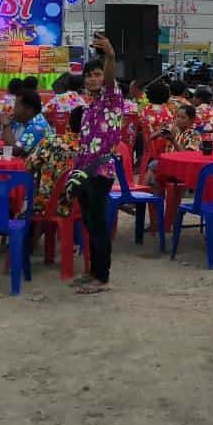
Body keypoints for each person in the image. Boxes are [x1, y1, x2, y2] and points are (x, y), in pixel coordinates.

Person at [71, 34, 126, 294]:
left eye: (97, 74)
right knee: (90, 224)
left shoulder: (112, 98)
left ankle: (102, 278)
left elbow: (111, 77)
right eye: (88, 75)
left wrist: (110, 56)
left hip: (101, 171)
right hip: (83, 172)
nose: (93, 79)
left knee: (99, 226)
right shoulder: (90, 107)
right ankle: (93, 271)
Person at [28, 106, 82, 217]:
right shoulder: (93, 149)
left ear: (69, 122)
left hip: (46, 206)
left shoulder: (49, 141)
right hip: (81, 209)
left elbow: (28, 167)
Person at [10, 90, 53, 155]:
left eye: (17, 107)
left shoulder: (36, 127)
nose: (14, 110)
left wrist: (6, 125)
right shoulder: (24, 120)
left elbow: (15, 152)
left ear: (29, 110)